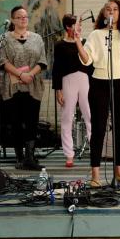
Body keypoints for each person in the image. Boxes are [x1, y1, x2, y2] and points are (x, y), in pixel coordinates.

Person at [74, 0, 120, 187]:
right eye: (108, 9)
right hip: (99, 84)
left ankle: (119, 171)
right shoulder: (96, 34)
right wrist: (78, 41)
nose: (111, 12)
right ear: (104, 13)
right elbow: (86, 60)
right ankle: (95, 174)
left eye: (115, 9)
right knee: (98, 129)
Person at [0, 5, 47, 170]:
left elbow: (42, 61)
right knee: (16, 123)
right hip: (12, 87)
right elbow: (3, 61)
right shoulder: (5, 38)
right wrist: (21, 75)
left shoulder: (37, 38)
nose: (23, 19)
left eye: (25, 16)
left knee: (32, 122)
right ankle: (19, 157)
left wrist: (30, 75)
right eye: (19, 17)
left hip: (32, 86)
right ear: (13, 20)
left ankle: (29, 157)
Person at [52, 14, 91, 168]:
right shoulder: (60, 45)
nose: (79, 27)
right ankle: (69, 155)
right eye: (77, 24)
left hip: (85, 80)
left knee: (90, 115)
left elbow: (89, 64)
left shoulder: (84, 42)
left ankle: (96, 150)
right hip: (67, 80)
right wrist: (58, 90)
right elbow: (57, 69)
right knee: (67, 117)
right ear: (68, 27)